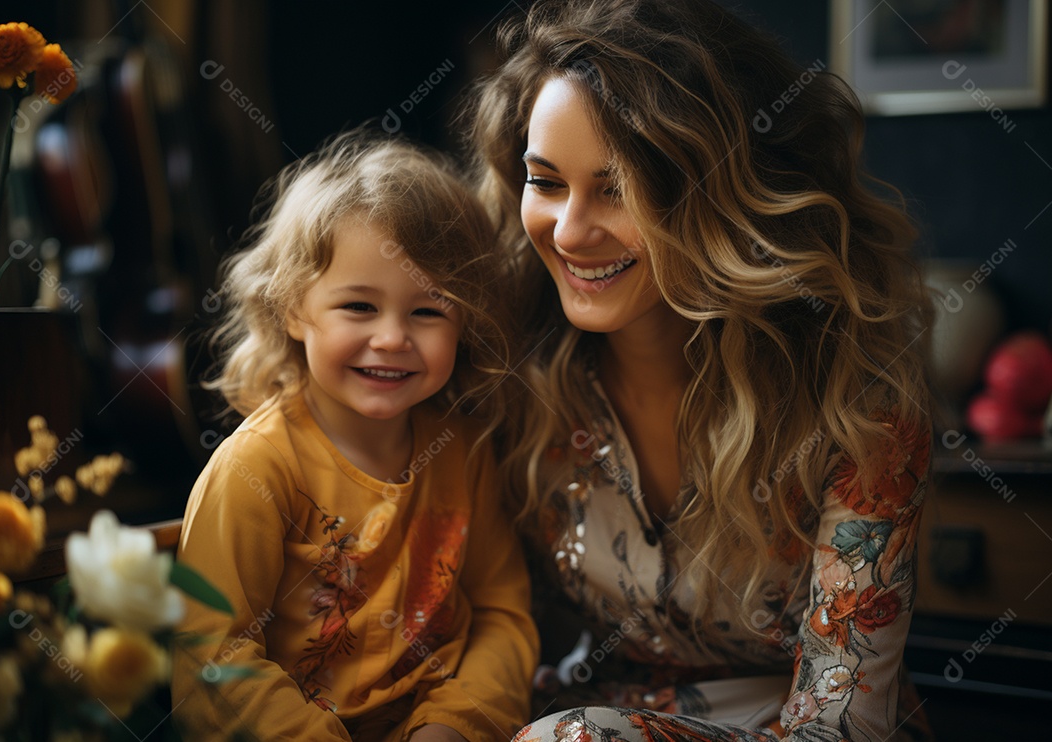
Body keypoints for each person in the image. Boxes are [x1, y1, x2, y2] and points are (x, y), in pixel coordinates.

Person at [465, 0, 935, 740]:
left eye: (617, 187)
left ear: (720, 194)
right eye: (546, 181)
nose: (570, 229)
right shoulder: (506, 380)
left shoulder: (854, 403)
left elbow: (843, 726)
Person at [171, 128, 539, 741]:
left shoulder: (464, 452)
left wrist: (453, 725)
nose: (393, 338)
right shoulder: (256, 468)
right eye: (359, 308)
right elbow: (209, 653)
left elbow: (504, 616)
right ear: (292, 308)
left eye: (428, 311)